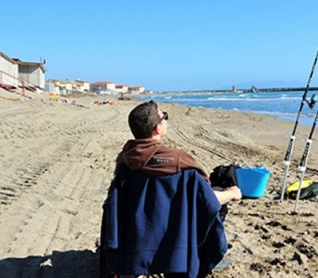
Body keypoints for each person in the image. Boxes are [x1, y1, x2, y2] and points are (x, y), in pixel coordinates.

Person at [101, 100, 241, 278]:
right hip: (175, 238)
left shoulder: (126, 161)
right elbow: (207, 201)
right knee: (217, 202)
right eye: (164, 116)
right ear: (157, 129)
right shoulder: (179, 162)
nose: (166, 119)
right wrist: (231, 193)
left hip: (136, 236)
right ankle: (201, 260)